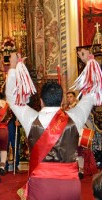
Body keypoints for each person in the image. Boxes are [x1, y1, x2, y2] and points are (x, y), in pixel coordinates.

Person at [6, 51, 97, 199]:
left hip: (41, 185)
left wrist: (13, 67)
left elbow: (11, 98)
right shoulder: (75, 117)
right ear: (62, 101)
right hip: (70, 185)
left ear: (41, 101)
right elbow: (91, 94)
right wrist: (90, 62)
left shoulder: (31, 119)